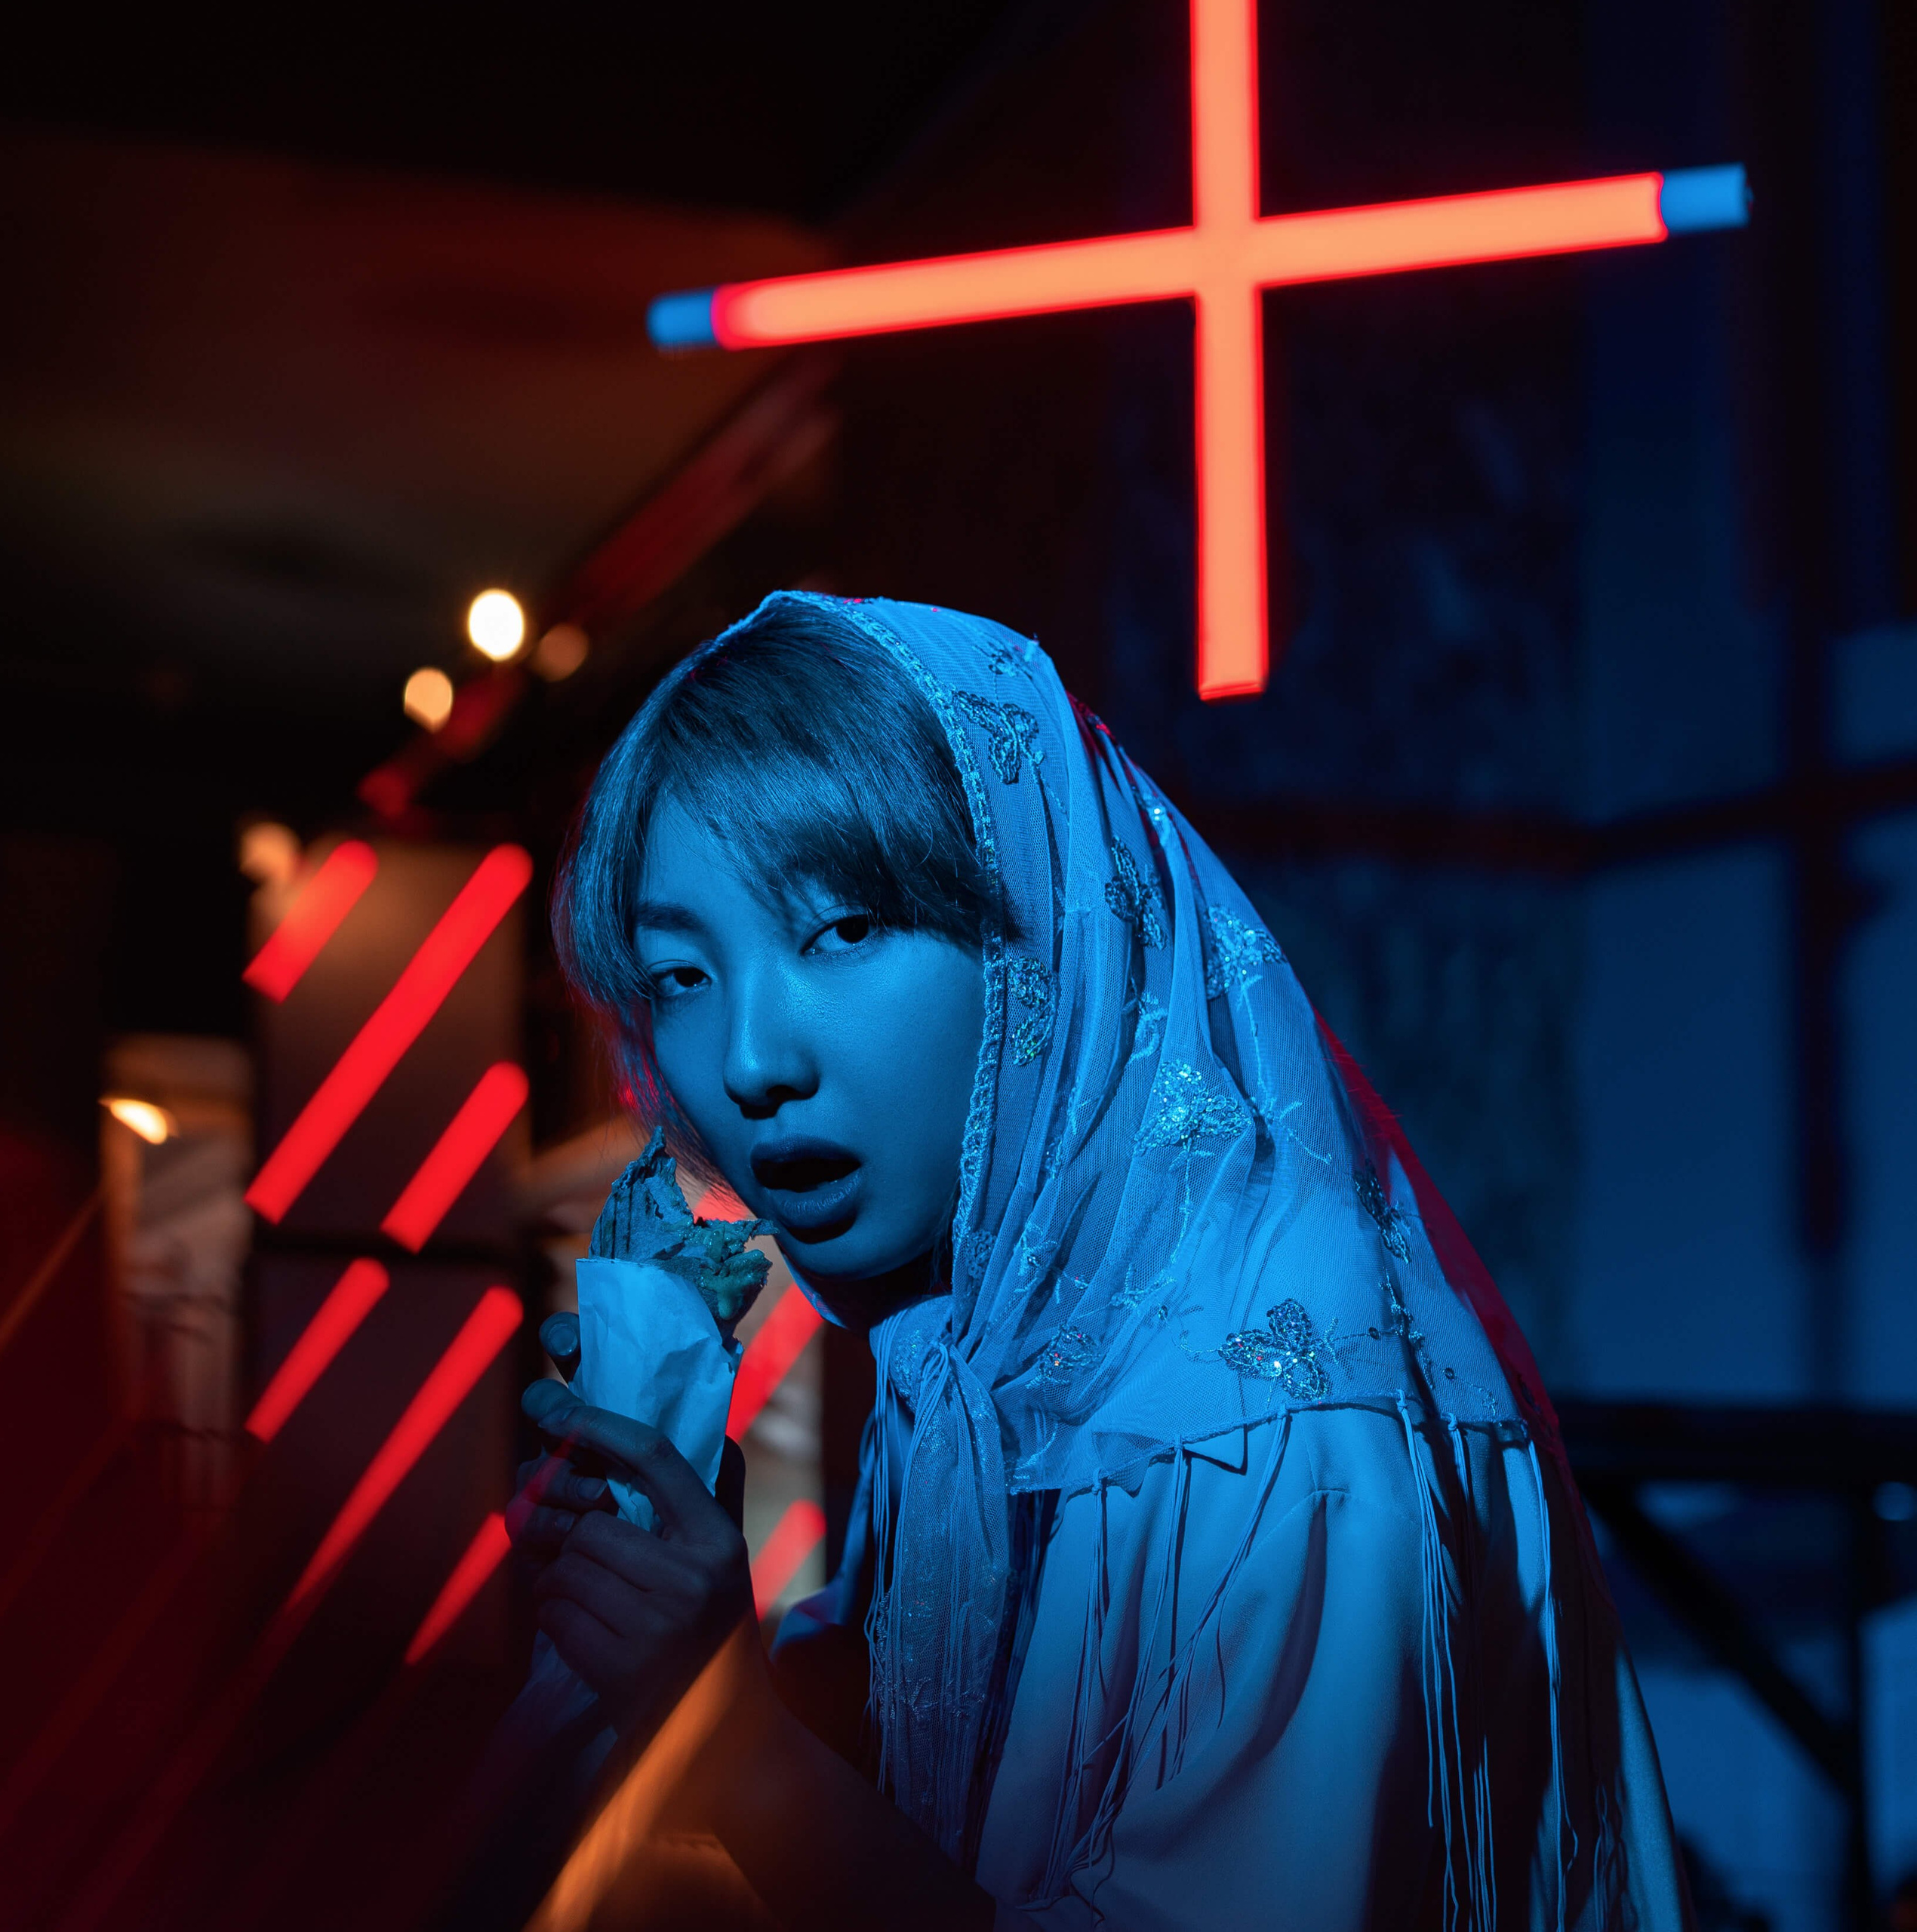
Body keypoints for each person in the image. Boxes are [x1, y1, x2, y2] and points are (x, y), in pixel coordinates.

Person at [506, 591, 1691, 1930]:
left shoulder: (1263, 1430)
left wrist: (723, 1726)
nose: (751, 1061)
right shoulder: (997, 1349)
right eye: (678, 976)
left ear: (1040, 930)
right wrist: (667, 1583)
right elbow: (938, 1818)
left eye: (841, 930)